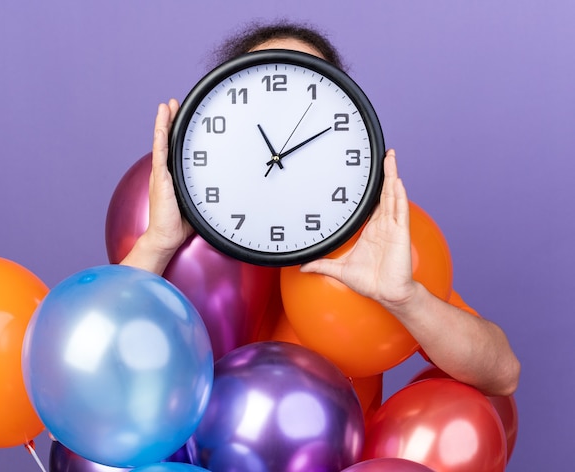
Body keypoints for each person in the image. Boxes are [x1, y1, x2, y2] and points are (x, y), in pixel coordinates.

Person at [121, 21, 520, 397]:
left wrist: (405, 298)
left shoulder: (371, 243)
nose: (278, 149)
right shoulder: (178, 252)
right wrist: (158, 243)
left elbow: (502, 373)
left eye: (304, 102)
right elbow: (81, 364)